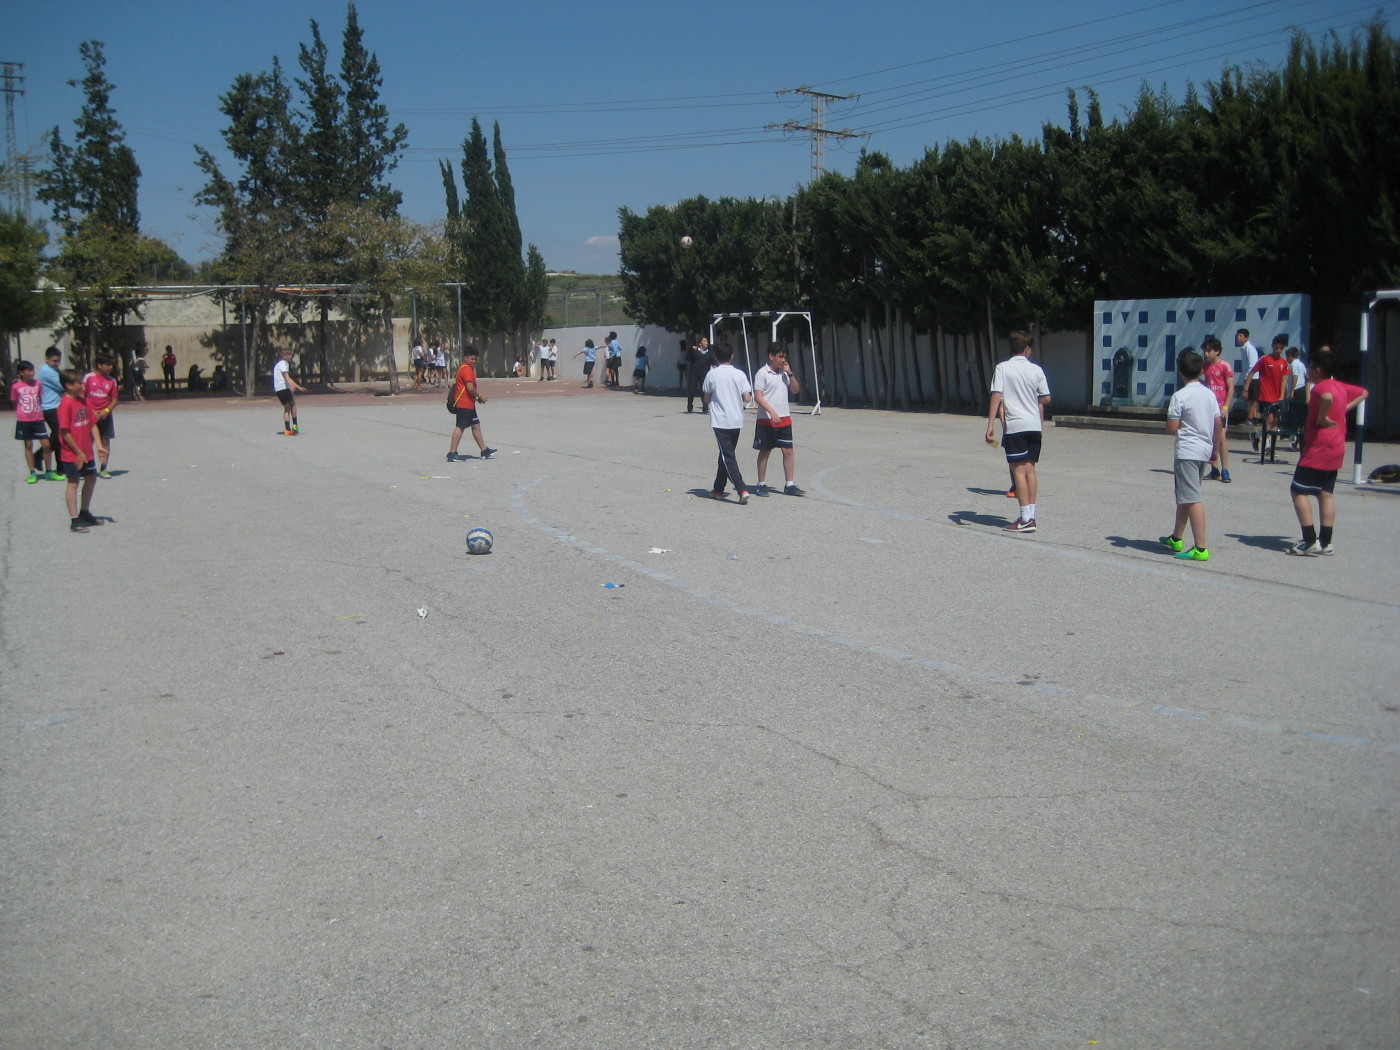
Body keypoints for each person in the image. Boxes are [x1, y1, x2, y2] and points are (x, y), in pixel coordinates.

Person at [1285, 348, 1368, 556]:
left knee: (1298, 490)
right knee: (1325, 493)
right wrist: (1344, 409)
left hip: (1318, 447)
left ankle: (1309, 539)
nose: (1308, 370)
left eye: (1311, 367)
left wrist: (1322, 417)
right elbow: (1363, 393)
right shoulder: (1340, 385)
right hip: (1336, 447)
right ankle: (1326, 542)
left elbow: (1328, 398)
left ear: (1318, 370)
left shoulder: (1320, 389)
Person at [985, 331, 1050, 533]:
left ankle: (1024, 519)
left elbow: (996, 395)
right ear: (1027, 349)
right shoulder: (1037, 370)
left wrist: (990, 425)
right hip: (1034, 425)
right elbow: (1046, 398)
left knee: (1018, 471)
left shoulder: (1003, 368)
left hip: (1015, 426)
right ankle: (1031, 516)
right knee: (1030, 470)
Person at [1159, 349, 1218, 562]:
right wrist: (1216, 450)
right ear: (1201, 370)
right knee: (1185, 494)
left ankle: (1201, 548)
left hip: (1187, 451)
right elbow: (1217, 423)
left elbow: (1171, 427)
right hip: (1203, 449)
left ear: (1179, 372)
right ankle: (1176, 537)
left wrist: (1184, 423)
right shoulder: (1209, 394)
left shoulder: (1180, 396)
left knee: (1192, 498)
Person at [701, 342, 752, 503]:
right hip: (736, 419)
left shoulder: (712, 374)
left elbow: (706, 397)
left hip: (720, 421)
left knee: (728, 456)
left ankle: (741, 488)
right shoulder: (740, 374)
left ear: (715, 357)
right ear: (732, 356)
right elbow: (747, 398)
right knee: (725, 454)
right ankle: (718, 489)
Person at [752, 344, 805, 497]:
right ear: (771, 356)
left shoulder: (784, 374)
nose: (783, 360)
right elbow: (758, 397)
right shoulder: (762, 373)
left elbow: (795, 390)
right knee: (765, 452)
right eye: (780, 356)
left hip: (785, 419)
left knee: (788, 451)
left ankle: (789, 484)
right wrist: (771, 411)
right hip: (766, 420)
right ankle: (761, 484)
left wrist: (790, 373)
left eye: (785, 357)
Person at [56, 369, 100, 532]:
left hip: (86, 450)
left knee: (91, 478)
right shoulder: (65, 404)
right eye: (78, 383)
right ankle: (74, 520)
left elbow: (92, 423)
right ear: (68, 385)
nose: (82, 385)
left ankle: (84, 512)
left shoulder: (82, 401)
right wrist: (78, 452)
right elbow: (65, 432)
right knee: (73, 482)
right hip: (72, 453)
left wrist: (99, 445)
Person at [10, 360, 59, 482]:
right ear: (21, 373)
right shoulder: (16, 386)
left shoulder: (38, 384)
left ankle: (49, 471)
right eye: (29, 371)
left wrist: (38, 411)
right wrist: (21, 412)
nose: (32, 373)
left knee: (46, 445)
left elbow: (40, 399)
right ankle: (32, 473)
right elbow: (14, 401)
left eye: (32, 370)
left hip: (38, 419)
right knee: (28, 445)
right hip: (24, 420)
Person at [446, 346, 496, 461]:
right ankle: (452, 453)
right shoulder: (467, 369)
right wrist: (480, 396)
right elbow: (469, 387)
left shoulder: (463, 367)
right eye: (471, 359)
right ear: (465, 358)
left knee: (475, 425)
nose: (473, 361)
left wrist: (476, 398)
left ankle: (484, 450)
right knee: (460, 427)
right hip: (464, 404)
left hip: (469, 403)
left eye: (475, 359)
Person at [1242, 336, 1290, 455]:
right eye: (1276, 347)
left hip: (1278, 396)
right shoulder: (1265, 359)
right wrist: (1246, 389)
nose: (1278, 350)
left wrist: (1282, 396)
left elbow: (1284, 381)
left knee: (1276, 421)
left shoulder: (1284, 363)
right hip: (1266, 394)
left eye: (1280, 348)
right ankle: (1268, 447)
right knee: (1269, 419)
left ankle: (1256, 435)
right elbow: (1252, 372)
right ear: (1272, 346)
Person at [1200, 337, 1234, 482]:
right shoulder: (1204, 367)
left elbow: (1231, 388)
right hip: (1208, 407)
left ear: (1217, 351)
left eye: (1209, 351)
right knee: (1210, 439)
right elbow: (1195, 378)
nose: (1206, 354)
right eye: (1205, 351)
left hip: (1221, 407)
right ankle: (1214, 469)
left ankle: (1226, 470)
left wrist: (1226, 407)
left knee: (1221, 438)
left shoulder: (1225, 366)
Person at [84, 354, 120, 478]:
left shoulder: (112, 380)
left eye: (112, 365)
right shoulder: (89, 378)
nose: (111, 367)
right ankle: (87, 466)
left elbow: (115, 399)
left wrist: (106, 410)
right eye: (108, 364)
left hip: (105, 416)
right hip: (90, 415)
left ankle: (104, 468)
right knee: (88, 441)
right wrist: (90, 410)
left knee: (105, 440)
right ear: (99, 365)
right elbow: (82, 396)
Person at [272, 348, 306, 435]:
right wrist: (291, 386)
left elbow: (288, 378)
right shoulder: (283, 363)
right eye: (290, 355)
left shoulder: (278, 365)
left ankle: (287, 429)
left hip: (278, 389)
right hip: (284, 388)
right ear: (285, 356)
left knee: (287, 408)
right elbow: (286, 376)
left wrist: (297, 386)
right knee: (293, 404)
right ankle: (295, 425)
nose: (292, 356)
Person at [39, 347, 65, 454]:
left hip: (57, 406)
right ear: (47, 359)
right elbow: (63, 386)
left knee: (60, 434)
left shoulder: (55, 370)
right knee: (59, 433)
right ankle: (40, 454)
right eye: (54, 361)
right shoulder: (46, 371)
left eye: (58, 361)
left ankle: (61, 466)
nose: (57, 363)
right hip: (49, 407)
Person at [1235, 329, 1260, 424]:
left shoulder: (1249, 348)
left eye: (1241, 336)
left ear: (1246, 338)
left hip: (1253, 377)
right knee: (1251, 399)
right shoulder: (1244, 348)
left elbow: (1253, 365)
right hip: (1249, 377)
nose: (1238, 338)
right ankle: (1254, 418)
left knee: (1253, 398)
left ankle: (1250, 418)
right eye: (1238, 336)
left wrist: (1247, 377)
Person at [686, 336, 712, 413]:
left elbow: (714, 362)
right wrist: (691, 350)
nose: (706, 342)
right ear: (700, 343)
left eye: (707, 341)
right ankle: (690, 407)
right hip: (694, 373)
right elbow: (688, 358)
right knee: (691, 390)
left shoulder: (709, 353)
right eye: (704, 341)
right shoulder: (695, 351)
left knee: (704, 390)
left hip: (704, 374)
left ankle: (705, 408)